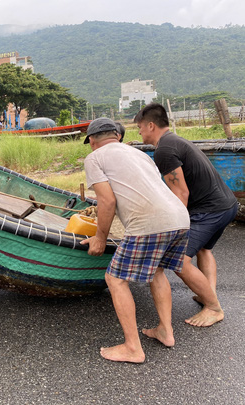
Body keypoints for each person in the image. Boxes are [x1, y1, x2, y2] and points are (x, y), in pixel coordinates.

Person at [80, 117, 191, 363]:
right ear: (117, 136)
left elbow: (107, 201)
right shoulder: (140, 155)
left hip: (149, 224)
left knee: (115, 278)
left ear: (91, 142)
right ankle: (165, 331)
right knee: (158, 271)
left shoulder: (95, 158)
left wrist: (100, 238)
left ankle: (133, 348)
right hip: (180, 218)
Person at [135, 103, 235, 323]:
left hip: (209, 210)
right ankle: (207, 294)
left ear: (151, 125)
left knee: (178, 260)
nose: (139, 132)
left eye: (140, 127)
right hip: (227, 205)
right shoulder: (175, 140)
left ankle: (213, 308)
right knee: (204, 250)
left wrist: (174, 230)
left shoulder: (164, 150)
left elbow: (181, 193)